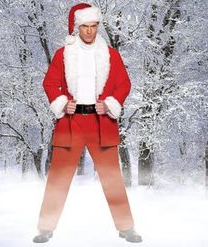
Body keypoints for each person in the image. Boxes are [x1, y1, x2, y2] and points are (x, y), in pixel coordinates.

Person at [33, 3, 142, 244]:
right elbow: (50, 84)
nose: (90, 32)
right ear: (77, 27)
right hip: (70, 123)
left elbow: (124, 84)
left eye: (94, 26)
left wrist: (111, 103)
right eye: (85, 27)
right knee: (58, 177)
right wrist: (62, 103)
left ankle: (126, 227)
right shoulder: (63, 54)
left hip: (101, 122)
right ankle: (45, 227)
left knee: (112, 177)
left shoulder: (111, 55)